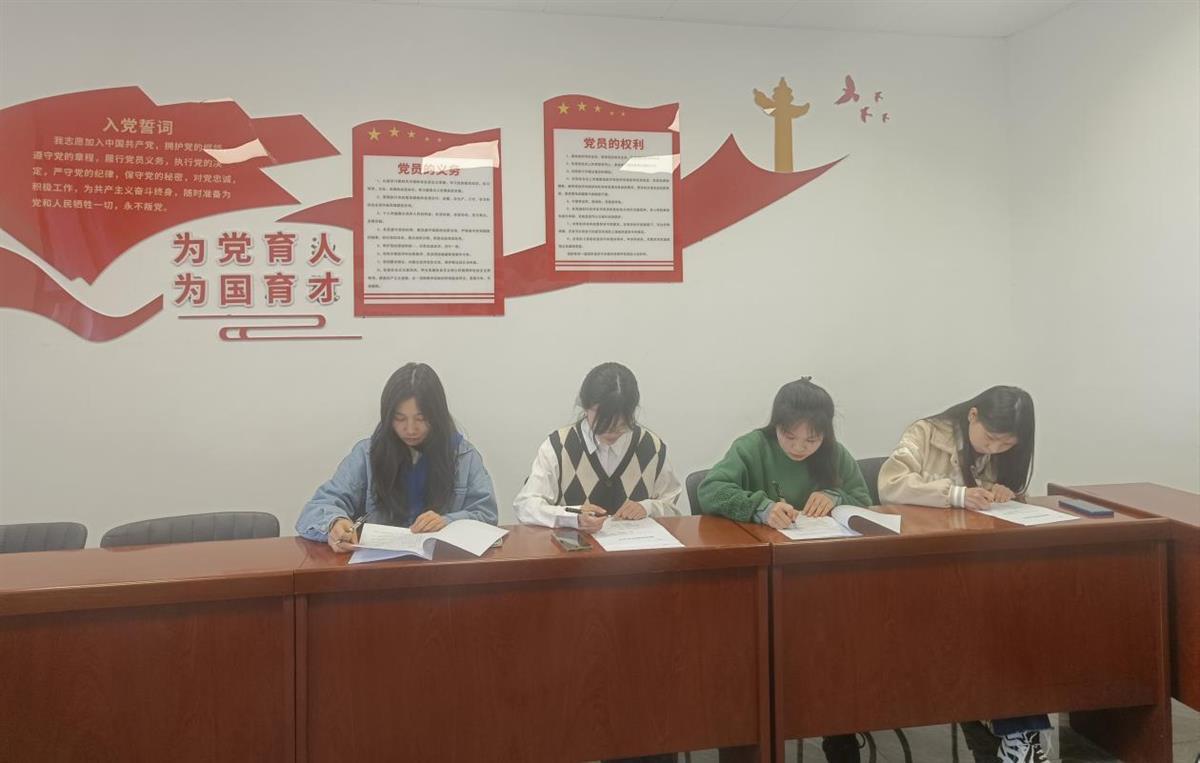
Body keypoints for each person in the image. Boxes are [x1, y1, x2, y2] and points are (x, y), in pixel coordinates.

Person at [698, 376, 869, 763]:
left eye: (812, 440)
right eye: (789, 437)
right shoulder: (751, 447)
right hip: (760, 587)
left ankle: (839, 731)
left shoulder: (835, 455)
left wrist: (835, 496)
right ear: (776, 426)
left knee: (840, 647)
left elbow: (864, 499)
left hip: (820, 583)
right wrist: (759, 507)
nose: (799, 447)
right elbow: (710, 490)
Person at [878, 385, 1046, 763]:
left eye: (1006, 444)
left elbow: (1000, 508)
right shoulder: (925, 434)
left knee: (1020, 624)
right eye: (990, 438)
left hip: (978, 574)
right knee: (997, 631)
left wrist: (1004, 494)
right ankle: (1015, 734)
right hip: (922, 573)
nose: (994, 449)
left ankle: (1018, 737)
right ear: (973, 415)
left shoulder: (1002, 454)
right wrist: (956, 495)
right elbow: (889, 485)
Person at [296, 362, 498, 552]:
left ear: (437, 417)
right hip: (378, 568)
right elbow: (317, 508)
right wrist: (334, 523)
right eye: (399, 419)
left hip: (444, 567)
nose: (410, 429)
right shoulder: (367, 455)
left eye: (421, 418)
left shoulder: (463, 456)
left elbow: (487, 515)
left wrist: (448, 522)